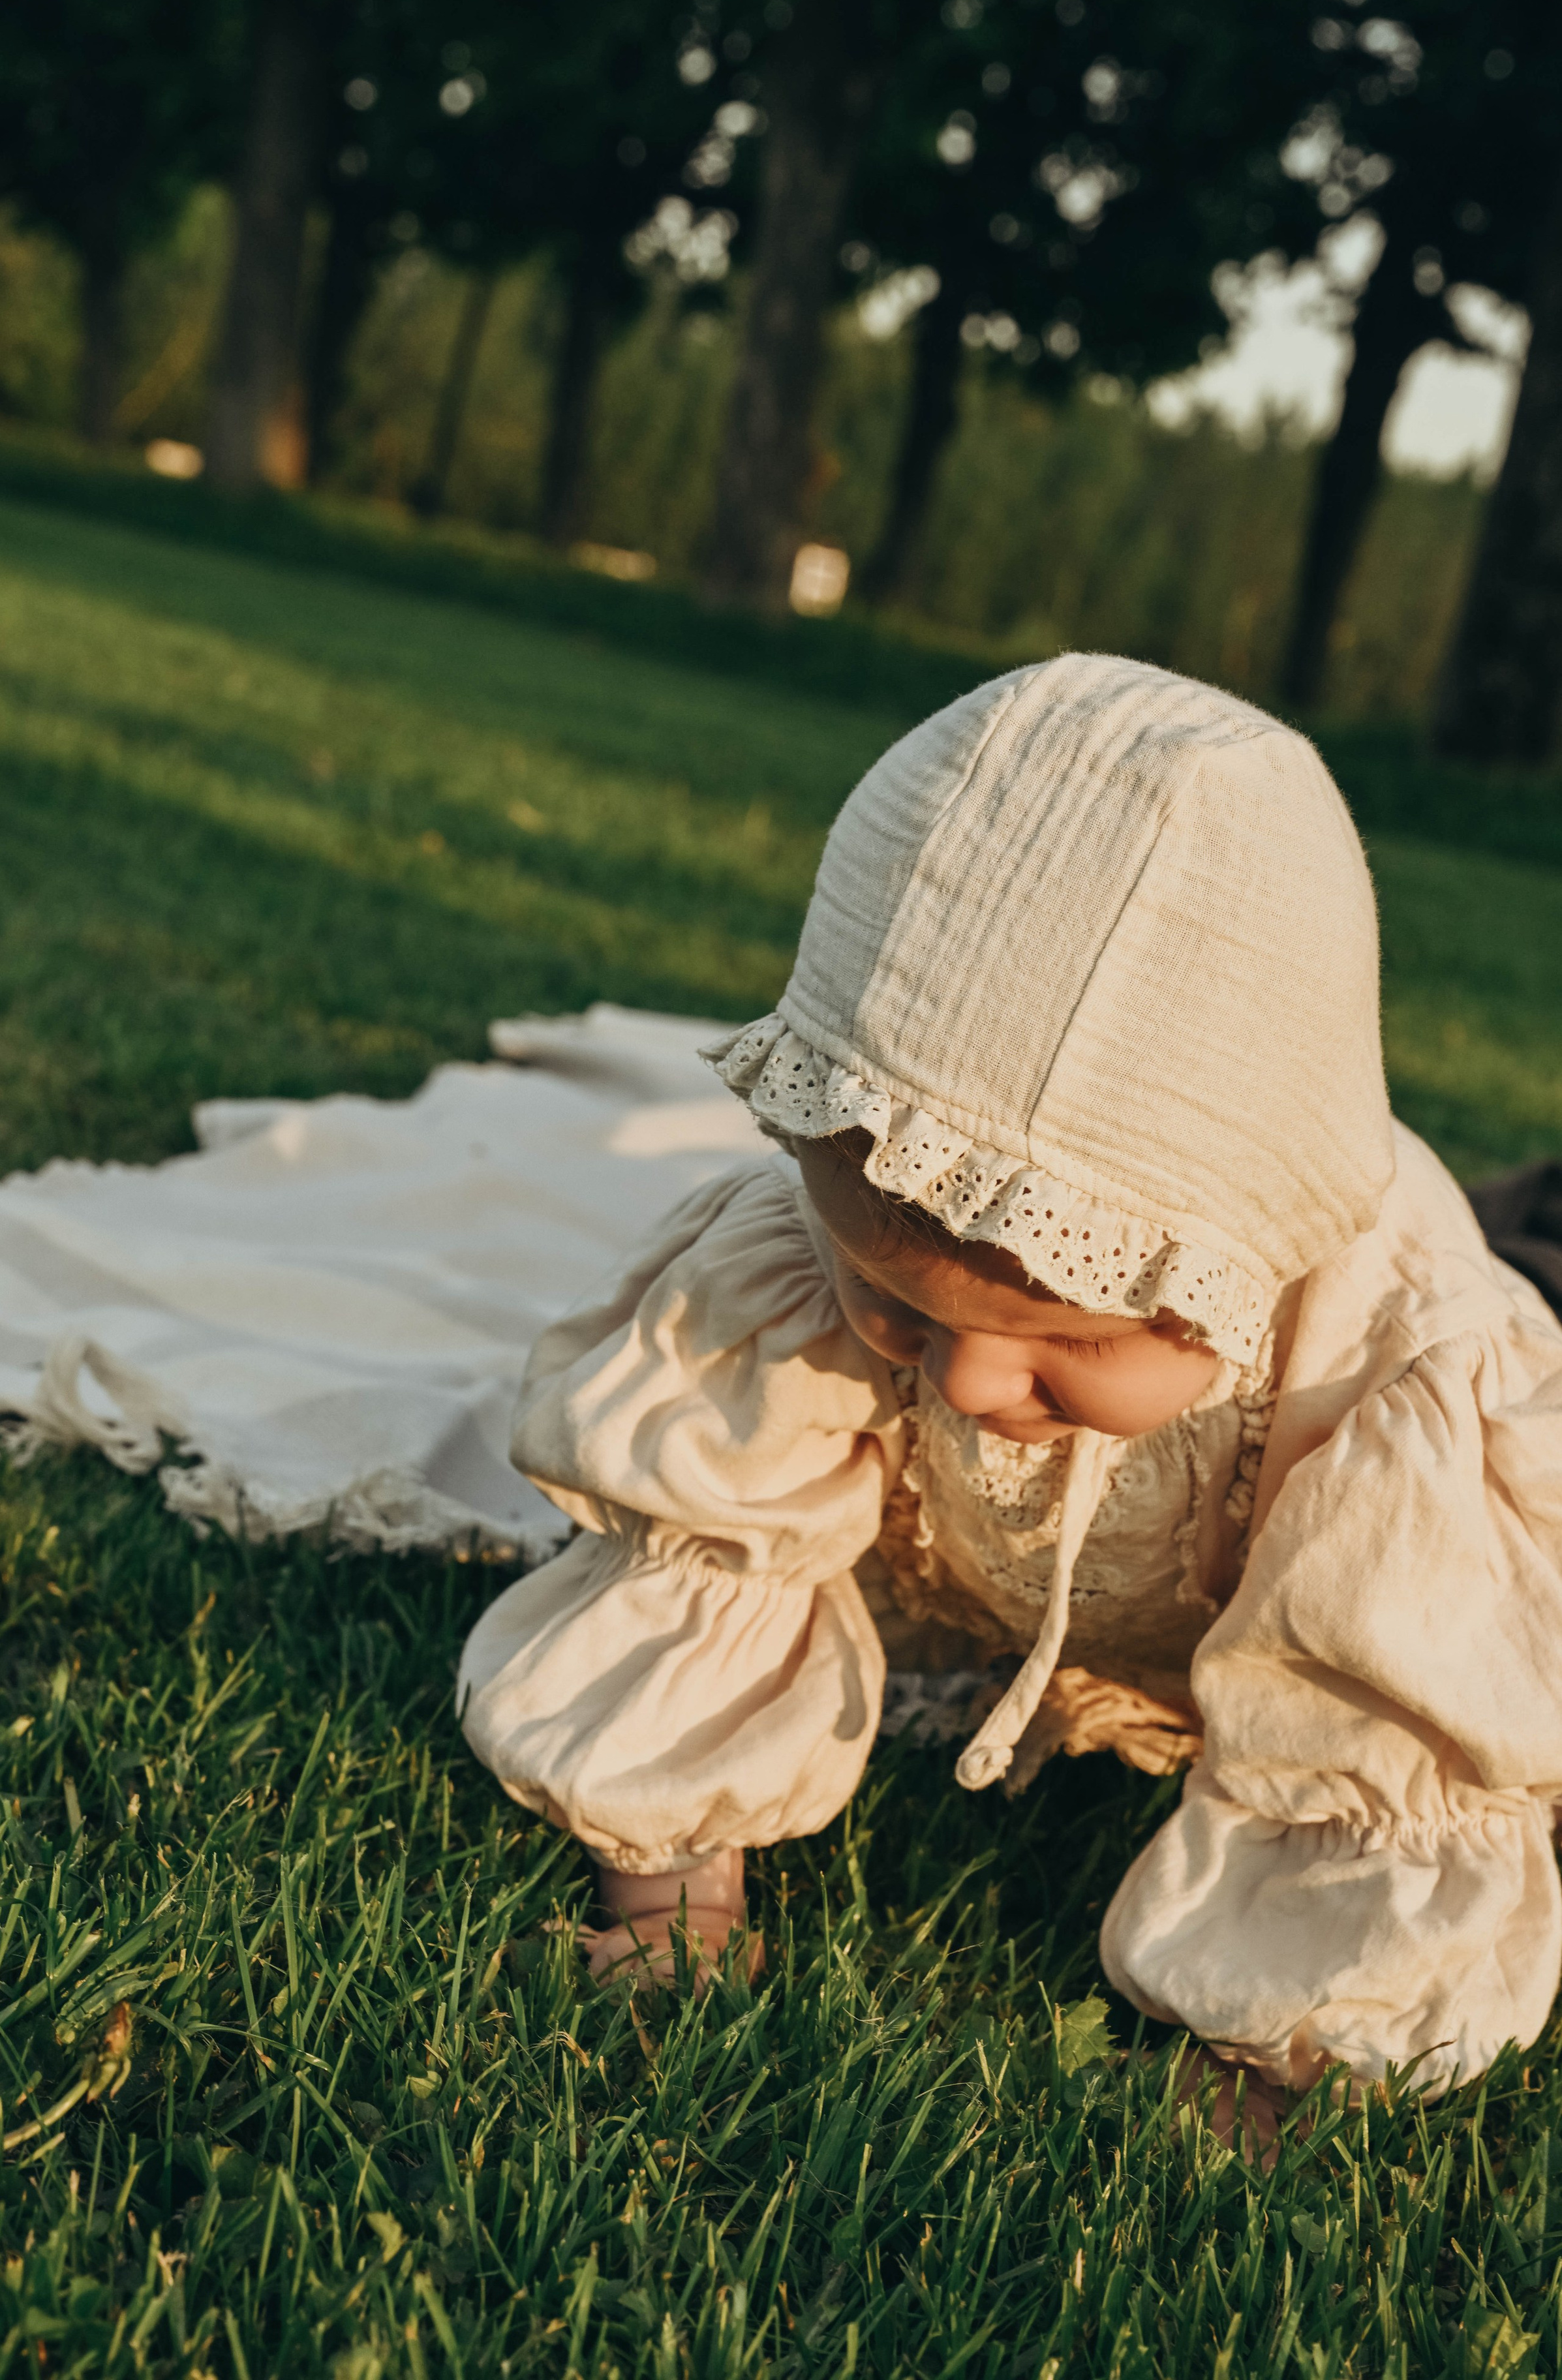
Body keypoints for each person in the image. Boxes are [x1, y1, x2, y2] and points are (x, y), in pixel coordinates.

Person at [457, 652, 1562, 2135]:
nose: (972, 1384)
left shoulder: (1381, 1381)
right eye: (893, 1304)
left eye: (1069, 1345)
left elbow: (1390, 1723)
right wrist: (668, 1888)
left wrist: (1296, 2037)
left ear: (1236, 1275)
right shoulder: (811, 1251)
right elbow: (710, 1533)